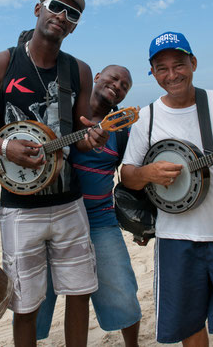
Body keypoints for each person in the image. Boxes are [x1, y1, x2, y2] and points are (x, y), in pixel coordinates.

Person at [0, 0, 108, 346]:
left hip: (69, 202)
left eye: (72, 15)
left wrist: (92, 137)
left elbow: (83, 127)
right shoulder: (2, 63)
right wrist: (4, 147)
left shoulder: (79, 70)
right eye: (56, 7)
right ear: (38, 9)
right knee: (24, 303)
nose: (62, 16)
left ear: (74, 27)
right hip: (20, 207)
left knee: (80, 292)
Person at [121, 31, 213, 346]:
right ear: (153, 73)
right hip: (175, 240)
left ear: (194, 63)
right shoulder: (146, 118)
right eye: (162, 68)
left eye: (179, 64)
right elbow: (128, 177)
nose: (172, 74)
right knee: (189, 327)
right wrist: (148, 172)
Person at [35, 64, 142, 346]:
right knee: (35, 297)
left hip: (100, 219)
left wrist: (140, 225)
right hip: (53, 217)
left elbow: (128, 174)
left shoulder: (121, 129)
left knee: (122, 289)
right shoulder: (64, 116)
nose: (118, 86)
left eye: (125, 86)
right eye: (114, 78)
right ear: (96, 77)